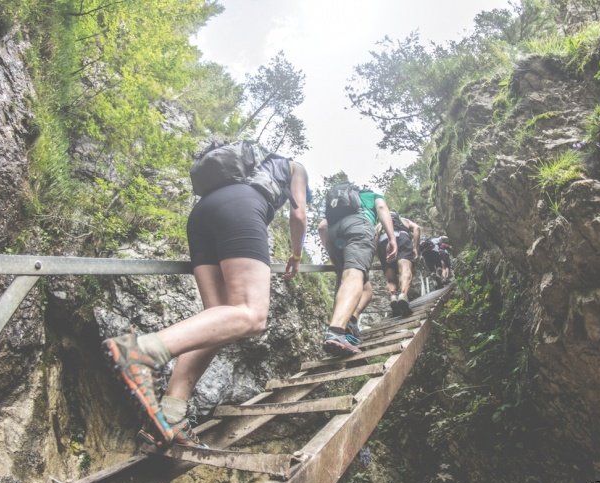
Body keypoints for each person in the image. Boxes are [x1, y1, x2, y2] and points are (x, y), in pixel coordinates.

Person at [101, 152, 309, 449]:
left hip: (202, 215)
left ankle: (170, 416)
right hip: (243, 208)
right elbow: (298, 215)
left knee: (220, 322)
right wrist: (296, 255)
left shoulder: (253, 161)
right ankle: (142, 351)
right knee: (251, 314)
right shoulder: (295, 166)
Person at [318, 185, 397, 356]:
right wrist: (391, 238)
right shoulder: (371, 196)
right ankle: (337, 332)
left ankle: (351, 320)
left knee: (366, 289)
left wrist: (331, 251)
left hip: (332, 235)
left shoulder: (336, 206)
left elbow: (321, 227)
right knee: (355, 274)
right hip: (358, 227)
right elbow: (382, 208)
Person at [376, 211, 421, 317]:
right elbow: (417, 228)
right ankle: (403, 295)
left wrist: (378, 254)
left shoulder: (380, 224)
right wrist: (415, 247)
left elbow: (375, 236)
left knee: (391, 280)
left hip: (384, 242)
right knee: (405, 268)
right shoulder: (404, 220)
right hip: (402, 238)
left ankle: (392, 297)